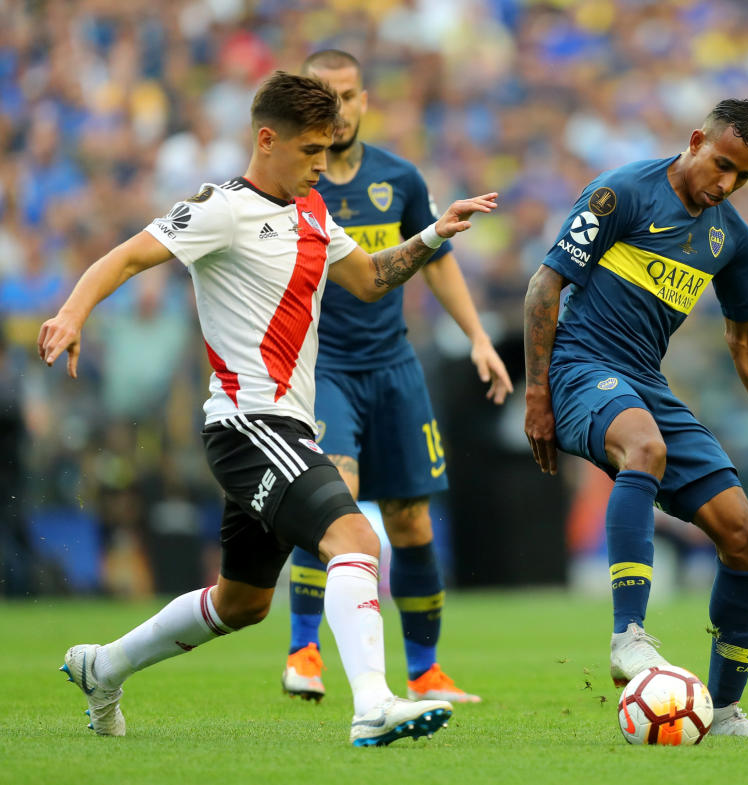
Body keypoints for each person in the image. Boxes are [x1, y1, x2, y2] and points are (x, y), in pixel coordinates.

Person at [39, 70, 499, 746]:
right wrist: (72, 312)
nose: (323, 164)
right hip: (248, 423)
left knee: (242, 602)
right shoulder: (221, 207)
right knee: (357, 539)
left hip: (284, 427)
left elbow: (370, 278)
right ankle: (373, 702)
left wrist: (431, 236)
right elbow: (130, 256)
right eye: (312, 151)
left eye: (327, 149)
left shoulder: (312, 211)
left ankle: (105, 666)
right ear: (266, 139)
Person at [523, 99, 748, 738]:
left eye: (744, 176)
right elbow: (543, 288)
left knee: (745, 535)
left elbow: (746, 337)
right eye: (722, 165)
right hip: (580, 364)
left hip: (643, 380)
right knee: (644, 446)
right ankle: (628, 635)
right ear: (695, 140)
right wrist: (537, 395)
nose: (727, 184)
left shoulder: (730, 236)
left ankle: (723, 713)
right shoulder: (621, 194)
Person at [278, 49, 512, 706]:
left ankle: (427, 670)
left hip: (394, 364)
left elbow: (434, 258)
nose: (340, 108)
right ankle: (304, 649)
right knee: (336, 501)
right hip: (324, 366)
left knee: (411, 522)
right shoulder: (295, 182)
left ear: (364, 100)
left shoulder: (399, 178)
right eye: (326, 96)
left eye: (349, 95)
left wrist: (476, 336)